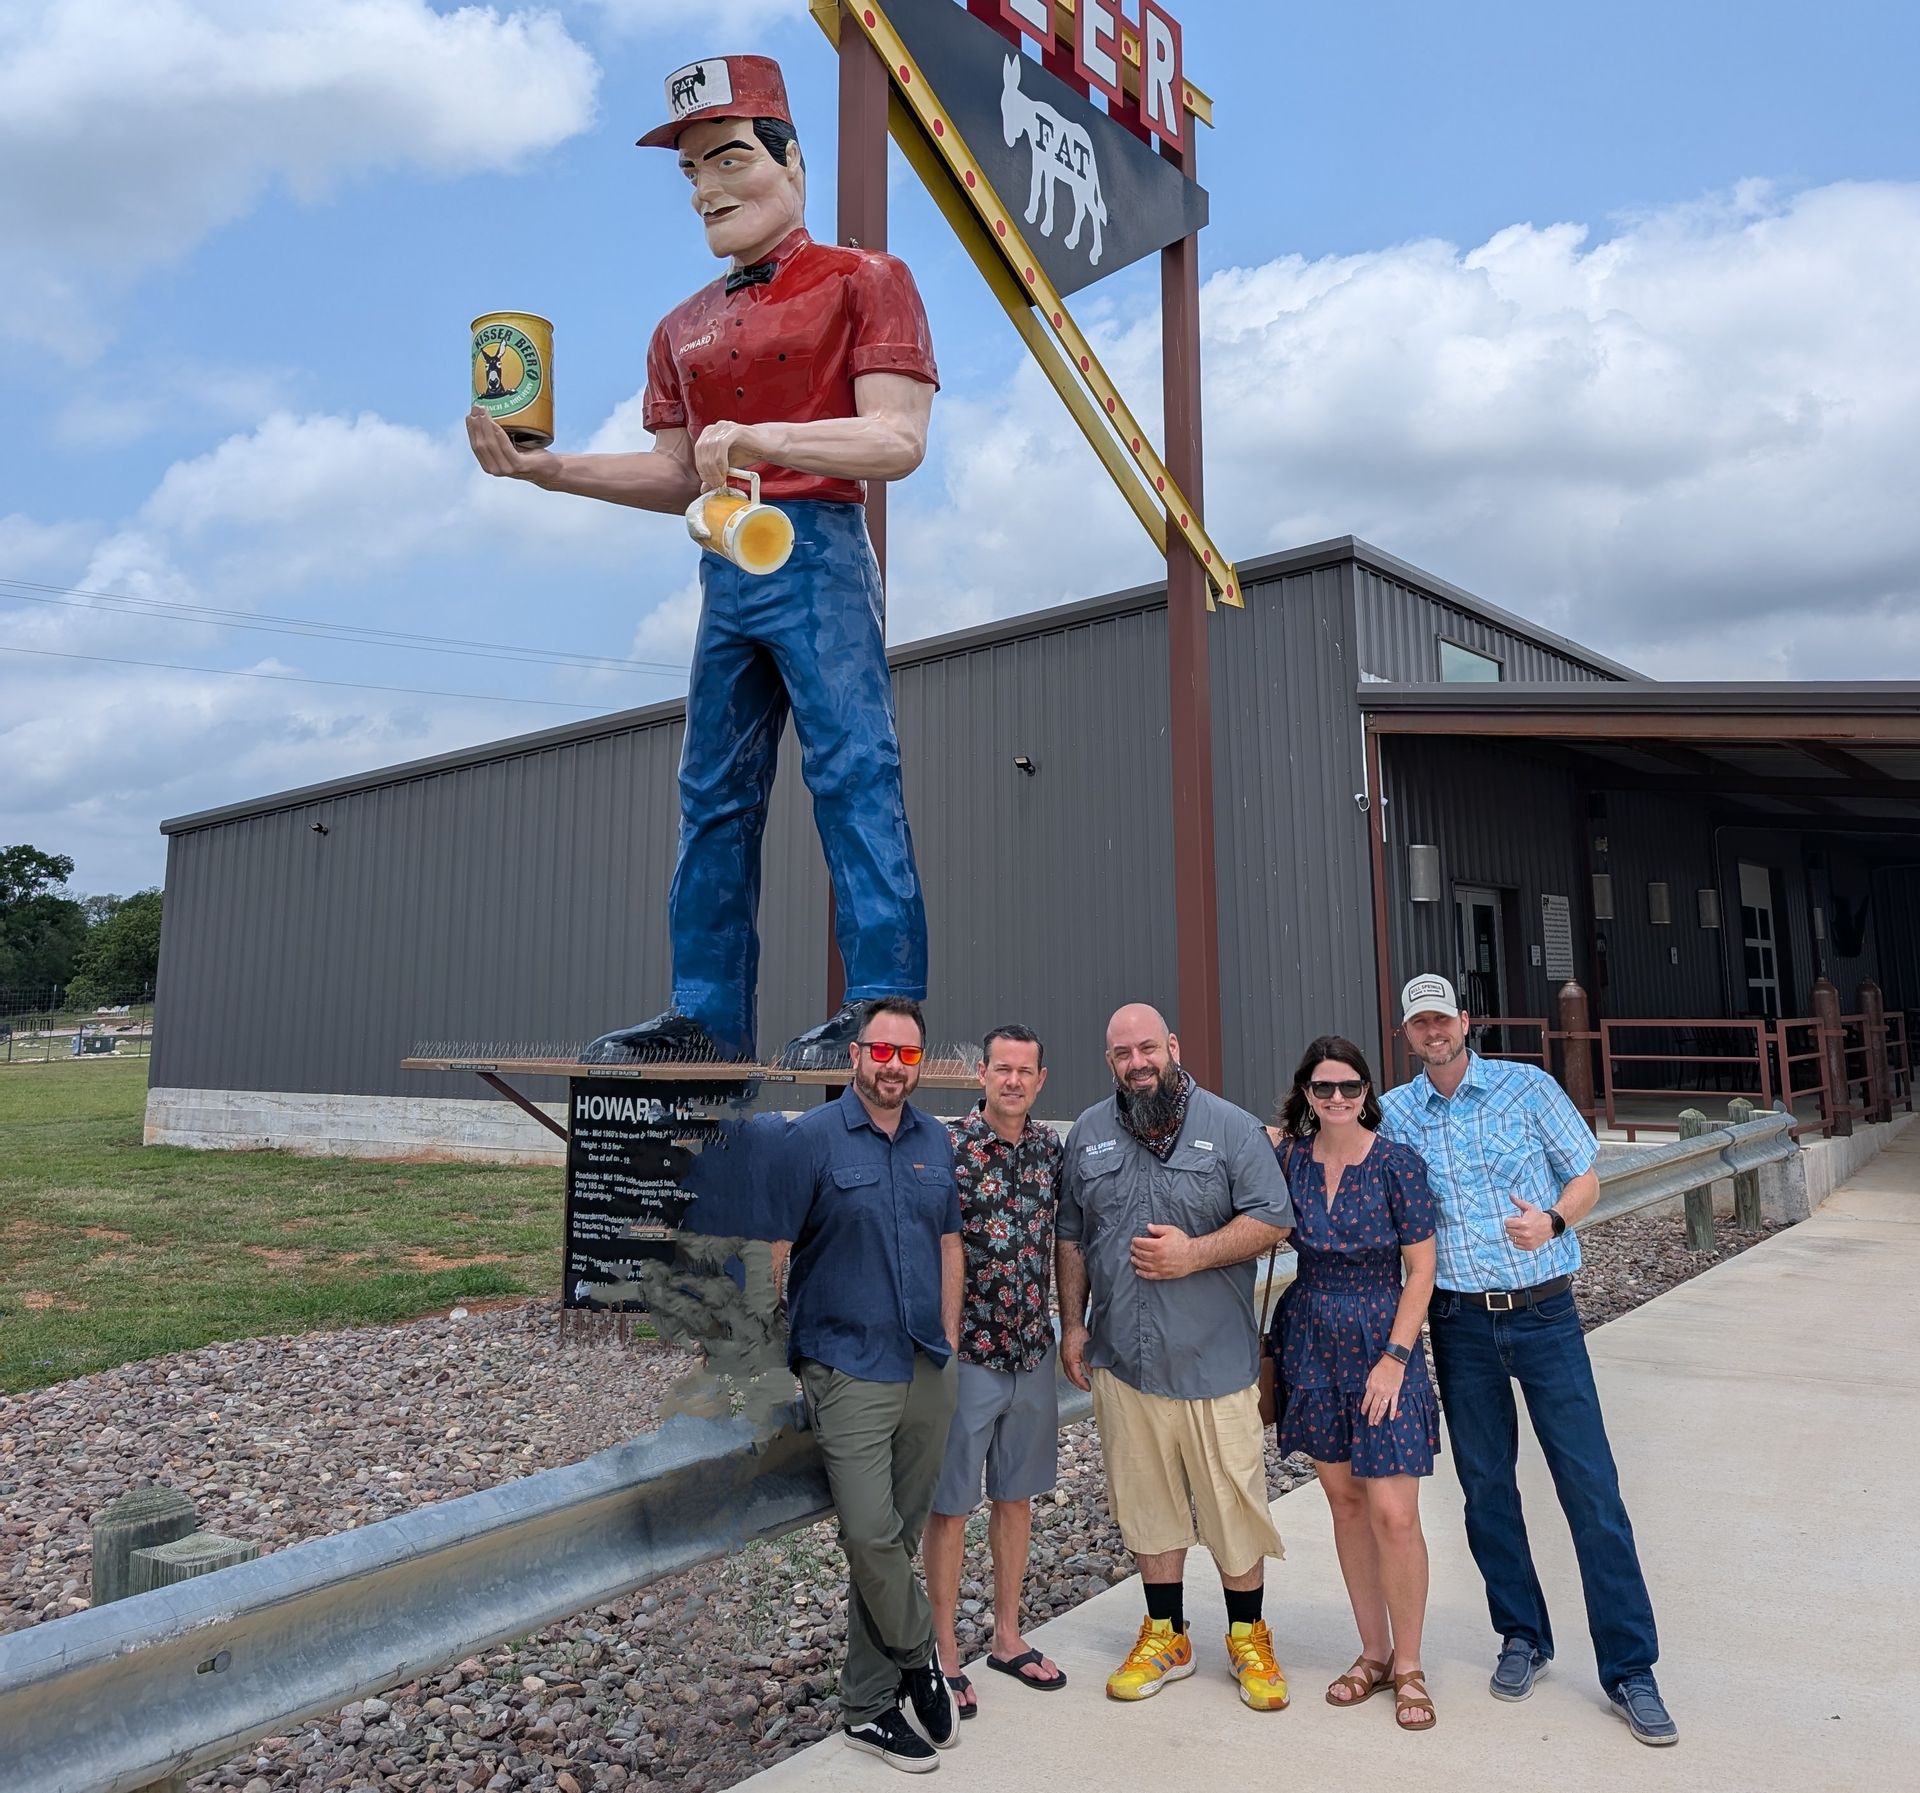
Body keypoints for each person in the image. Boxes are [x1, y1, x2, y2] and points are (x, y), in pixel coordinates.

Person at [466, 54, 938, 1070]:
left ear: (793, 162)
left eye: (727, 159)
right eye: (690, 173)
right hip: (726, 561)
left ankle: (885, 999)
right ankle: (705, 1012)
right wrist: (546, 473)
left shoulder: (869, 280)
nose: (709, 191)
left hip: (816, 549)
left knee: (855, 766)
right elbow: (677, 472)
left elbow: (897, 441)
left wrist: (770, 439)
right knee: (712, 789)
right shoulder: (677, 327)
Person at [1379, 973, 1678, 1748]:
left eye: (1444, 1018)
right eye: (1421, 1023)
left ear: (1465, 1021)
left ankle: (1630, 1668)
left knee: (1591, 1486)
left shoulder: (1525, 1087)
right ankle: (1522, 1634)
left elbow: (1585, 1172)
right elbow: (1341, 1149)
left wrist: (1550, 1219)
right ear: (1407, 1034)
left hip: (1544, 1311)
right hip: (1458, 1321)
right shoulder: (1398, 1112)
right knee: (1486, 1490)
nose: (1434, 1032)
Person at [1057, 1002, 1295, 1710]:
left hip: (1214, 1362)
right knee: (1147, 1503)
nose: (1137, 1062)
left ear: (1173, 1047)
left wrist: (1193, 1253)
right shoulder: (1090, 1135)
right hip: (1125, 1359)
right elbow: (1071, 1233)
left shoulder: (1228, 1127)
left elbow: (1272, 1216)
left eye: (1147, 1048)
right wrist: (1073, 1324)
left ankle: (1249, 1635)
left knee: (1231, 1503)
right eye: (1123, 1053)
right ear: (1110, 1063)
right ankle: (1167, 1631)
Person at [775, 997, 964, 1772]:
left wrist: (947, 1337)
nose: (893, 1066)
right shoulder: (810, 1140)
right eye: (880, 1052)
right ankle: (919, 1659)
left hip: (924, 1365)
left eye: (907, 1055)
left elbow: (949, 1240)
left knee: (894, 1537)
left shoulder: (935, 1140)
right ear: (855, 1055)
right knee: (867, 1532)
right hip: (845, 1364)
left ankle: (866, 1705)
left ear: (921, 1061)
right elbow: (771, 1248)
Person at [1272, 1035, 1439, 1732]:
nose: (1337, 1098)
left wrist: (1396, 1356)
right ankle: (1372, 1653)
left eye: (1349, 1087)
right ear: (1306, 1094)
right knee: (1343, 1502)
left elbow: (1421, 1268)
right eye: (1323, 1088)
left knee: (1393, 1512)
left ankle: (1411, 1665)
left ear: (1367, 1091)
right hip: (1311, 1335)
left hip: (1381, 1338)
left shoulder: (1398, 1162)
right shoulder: (1288, 1160)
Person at [924, 1024, 1068, 1720]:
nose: (1013, 1080)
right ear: (980, 1073)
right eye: (1001, 1068)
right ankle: (945, 1652)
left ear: (1041, 1080)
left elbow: (1070, 1238)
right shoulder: (945, 1148)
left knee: (1017, 1497)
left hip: (1032, 1351)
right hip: (968, 1355)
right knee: (951, 1505)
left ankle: (1007, 1635)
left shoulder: (1050, 1149)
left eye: (1025, 1071)